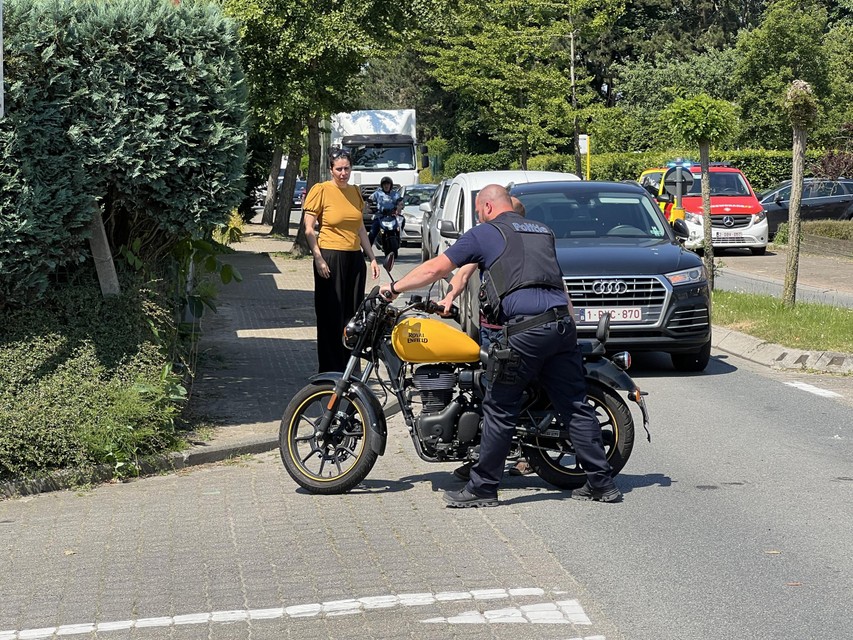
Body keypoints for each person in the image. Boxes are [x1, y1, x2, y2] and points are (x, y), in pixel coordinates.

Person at [379, 184, 620, 507]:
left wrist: (395, 287)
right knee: (574, 404)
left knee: (499, 408)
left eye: (479, 211)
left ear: (488, 207)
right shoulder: (541, 231)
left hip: (524, 331)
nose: (479, 216)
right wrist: (570, 327)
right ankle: (602, 484)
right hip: (560, 325)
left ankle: (483, 488)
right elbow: (557, 282)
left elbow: (437, 267)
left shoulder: (486, 232)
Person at [440, 196, 533, 480]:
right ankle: (481, 453)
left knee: (509, 396)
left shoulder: (526, 243)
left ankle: (521, 454)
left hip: (511, 331)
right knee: (483, 391)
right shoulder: (492, 241)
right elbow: (464, 271)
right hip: (490, 329)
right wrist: (450, 295)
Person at [303, 149, 380, 373]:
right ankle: (329, 368)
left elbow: (360, 229)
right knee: (330, 314)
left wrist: (372, 257)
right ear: (331, 170)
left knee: (352, 315)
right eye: (339, 169)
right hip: (330, 256)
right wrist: (318, 258)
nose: (343, 173)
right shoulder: (321, 190)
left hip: (354, 259)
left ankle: (349, 366)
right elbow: (308, 229)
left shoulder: (355, 192)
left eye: (347, 168)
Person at [367, 177, 402, 246]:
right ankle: (365, 252)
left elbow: (400, 203)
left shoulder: (395, 194)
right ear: (382, 185)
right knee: (372, 233)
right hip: (380, 216)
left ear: (390, 185)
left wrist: (398, 210)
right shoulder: (377, 193)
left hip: (392, 216)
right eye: (384, 184)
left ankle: (398, 240)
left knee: (400, 226)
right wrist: (368, 208)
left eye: (388, 184)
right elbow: (369, 201)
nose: (386, 186)